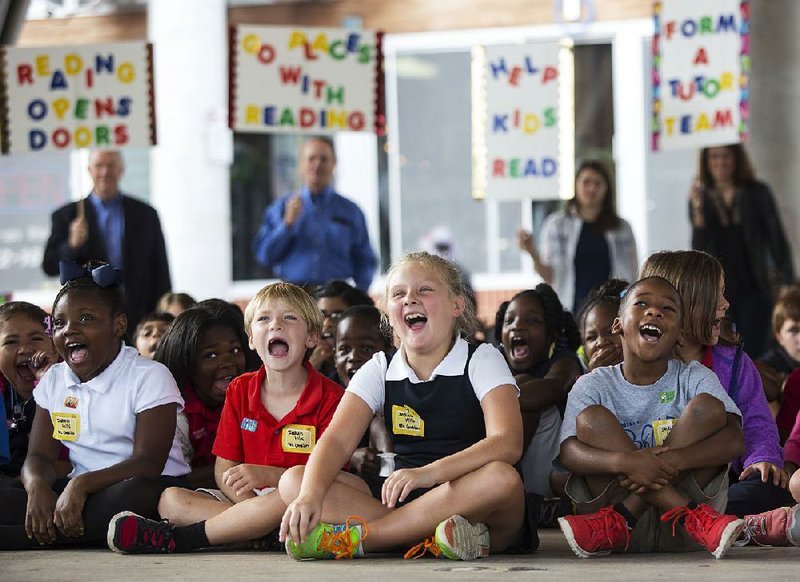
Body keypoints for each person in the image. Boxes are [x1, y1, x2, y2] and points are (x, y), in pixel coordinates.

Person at [277, 252, 527, 561]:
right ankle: (433, 539)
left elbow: (508, 443)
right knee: (295, 481)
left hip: (470, 497)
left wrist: (428, 474)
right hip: (400, 499)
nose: (410, 300)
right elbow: (337, 440)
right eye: (399, 293)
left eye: (425, 290)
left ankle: (362, 539)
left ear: (456, 305)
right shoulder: (380, 367)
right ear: (387, 311)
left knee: (501, 478)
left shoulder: (482, 358)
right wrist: (309, 497)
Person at [105, 282, 345, 555]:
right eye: (264, 319)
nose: (275, 326)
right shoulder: (240, 389)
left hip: (302, 500)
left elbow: (332, 476)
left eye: (289, 317)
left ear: (312, 337)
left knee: (301, 491)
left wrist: (268, 475)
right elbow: (224, 468)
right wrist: (246, 507)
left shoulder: (332, 397)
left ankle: (189, 538)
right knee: (170, 500)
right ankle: (262, 534)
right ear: (252, 339)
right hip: (245, 500)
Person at [0, 261, 189, 550]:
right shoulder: (54, 380)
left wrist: (81, 485)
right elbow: (39, 455)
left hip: (142, 486)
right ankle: (87, 531)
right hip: (81, 493)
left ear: (119, 325)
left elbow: (147, 463)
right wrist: (37, 486)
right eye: (60, 323)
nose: (69, 331)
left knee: (141, 494)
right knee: (9, 491)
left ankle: (25, 537)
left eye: (85, 319)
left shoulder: (149, 376)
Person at [557, 276, 745, 559]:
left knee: (708, 407)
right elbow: (568, 452)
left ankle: (625, 516)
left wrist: (675, 460)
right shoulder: (592, 385)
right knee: (589, 420)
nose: (654, 311)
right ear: (618, 324)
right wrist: (626, 462)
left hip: (681, 535)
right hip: (631, 528)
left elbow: (734, 439)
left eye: (667, 309)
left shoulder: (695, 377)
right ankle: (685, 514)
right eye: (641, 303)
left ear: (680, 334)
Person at [640, 250, 792, 517]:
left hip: (720, 484)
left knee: (769, 487)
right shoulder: (638, 363)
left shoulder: (734, 363)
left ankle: (682, 517)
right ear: (684, 303)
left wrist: (762, 459)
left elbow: (757, 425)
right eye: (717, 295)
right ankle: (693, 516)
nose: (725, 304)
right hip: (650, 482)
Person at [42, 150, 172, 338]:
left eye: (111, 165)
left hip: (140, 317)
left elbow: (160, 267)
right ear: (89, 170)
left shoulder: (145, 214)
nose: (105, 172)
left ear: (121, 170)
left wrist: (164, 311)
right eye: (99, 166)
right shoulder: (68, 214)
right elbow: (49, 266)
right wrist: (71, 245)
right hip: (89, 317)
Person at [689, 144, 795, 358]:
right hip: (720, 287)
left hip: (755, 282)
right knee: (723, 347)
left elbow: (776, 238)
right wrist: (698, 211)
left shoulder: (757, 192)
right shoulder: (699, 198)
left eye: (726, 156)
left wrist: (786, 281)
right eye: (714, 157)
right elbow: (698, 251)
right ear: (706, 162)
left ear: (736, 159)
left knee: (757, 346)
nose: (720, 162)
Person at [252, 137, 378, 291]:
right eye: (311, 158)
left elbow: (365, 259)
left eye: (324, 159)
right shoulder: (280, 208)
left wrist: (360, 295)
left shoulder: (351, 211)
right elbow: (265, 256)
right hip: (293, 297)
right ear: (301, 165)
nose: (317, 164)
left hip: (336, 298)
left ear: (334, 164)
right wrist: (286, 225)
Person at [517, 160, 638, 314]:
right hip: (570, 308)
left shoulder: (622, 227)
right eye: (586, 182)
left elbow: (632, 274)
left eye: (598, 183)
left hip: (612, 310)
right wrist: (532, 252)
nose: (592, 188)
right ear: (575, 185)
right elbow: (549, 276)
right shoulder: (557, 225)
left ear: (607, 189)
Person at [495, 284, 582, 497]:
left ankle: (503, 491)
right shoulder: (496, 361)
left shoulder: (565, 361)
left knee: (525, 390)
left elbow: (554, 387)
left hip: (551, 471)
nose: (518, 326)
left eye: (532, 321)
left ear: (551, 336)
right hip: (515, 470)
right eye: (510, 321)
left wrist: (490, 407)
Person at [153, 305, 254, 488]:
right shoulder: (175, 414)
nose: (228, 362)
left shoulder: (256, 396)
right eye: (211, 355)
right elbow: (171, 483)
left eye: (235, 350)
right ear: (186, 362)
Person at [0, 302, 61, 478]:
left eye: (36, 338)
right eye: (11, 342)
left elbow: (72, 463)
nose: (25, 349)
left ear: (55, 349)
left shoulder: (73, 388)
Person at [334, 305, 394, 476]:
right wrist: (349, 458)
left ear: (389, 353)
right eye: (344, 349)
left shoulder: (399, 395)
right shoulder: (327, 397)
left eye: (366, 348)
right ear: (334, 355)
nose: (353, 357)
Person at [310, 280, 374, 381]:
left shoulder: (370, 361)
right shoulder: (302, 360)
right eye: (321, 315)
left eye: (337, 316)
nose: (327, 323)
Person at [576, 279, 628, 371]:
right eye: (591, 338)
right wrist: (596, 376)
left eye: (611, 331)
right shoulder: (583, 382)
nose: (601, 342)